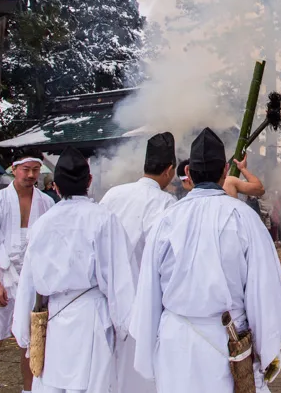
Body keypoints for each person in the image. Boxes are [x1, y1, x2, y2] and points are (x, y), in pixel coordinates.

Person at [130, 128, 281, 393]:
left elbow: (148, 291)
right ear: (225, 171)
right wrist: (265, 350)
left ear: (189, 174)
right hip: (228, 344)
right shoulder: (244, 219)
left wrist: (149, 349)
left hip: (176, 344)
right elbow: (264, 293)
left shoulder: (166, 220)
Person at [12, 147, 137, 393]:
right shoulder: (103, 219)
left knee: (52, 383)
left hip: (54, 315)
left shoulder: (42, 223)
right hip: (90, 316)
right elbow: (118, 278)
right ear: (89, 181)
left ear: (55, 186)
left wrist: (23, 331)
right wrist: (126, 326)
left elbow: (28, 279)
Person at [99, 132, 178, 393]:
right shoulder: (165, 203)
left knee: (110, 369)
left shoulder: (112, 194)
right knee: (141, 372)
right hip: (144, 299)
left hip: (105, 295)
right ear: (169, 170)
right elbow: (167, 259)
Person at [0, 156, 55, 393]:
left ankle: (28, 390)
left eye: (36, 170)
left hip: (31, 279)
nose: (30, 175)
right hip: (0, 275)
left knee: (30, 343)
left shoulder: (47, 203)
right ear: (14, 170)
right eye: (26, 170)